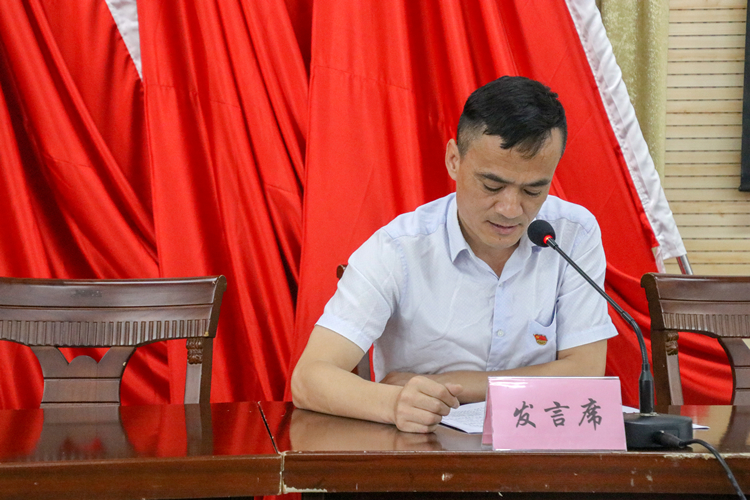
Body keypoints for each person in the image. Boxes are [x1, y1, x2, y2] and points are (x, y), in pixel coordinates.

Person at [291, 75, 617, 433]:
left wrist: (450, 384)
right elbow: (309, 378)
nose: (510, 209)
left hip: (537, 447)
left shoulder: (571, 234)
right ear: (453, 160)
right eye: (491, 185)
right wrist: (395, 403)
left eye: (533, 191)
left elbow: (585, 372)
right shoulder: (399, 249)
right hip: (422, 448)